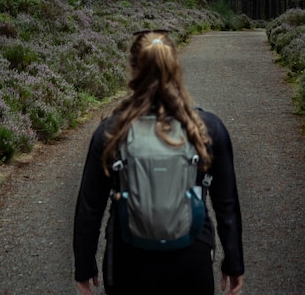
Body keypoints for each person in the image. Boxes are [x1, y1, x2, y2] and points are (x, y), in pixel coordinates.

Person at [73, 30, 244, 295]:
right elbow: (226, 204)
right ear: (176, 67)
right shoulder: (207, 128)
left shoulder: (111, 132)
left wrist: (84, 266)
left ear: (133, 69)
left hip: (128, 258)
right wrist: (233, 261)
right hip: (192, 257)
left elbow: (89, 208)